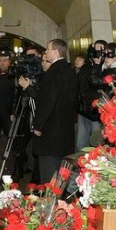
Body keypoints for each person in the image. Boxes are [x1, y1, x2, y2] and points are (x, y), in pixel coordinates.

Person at [18, 39, 77, 183]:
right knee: (61, 176)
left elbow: (46, 102)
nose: (45, 52)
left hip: (50, 132)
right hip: (65, 131)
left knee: (49, 177)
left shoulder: (52, 73)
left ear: (55, 52)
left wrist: (38, 125)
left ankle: (51, 204)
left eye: (47, 50)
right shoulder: (70, 71)